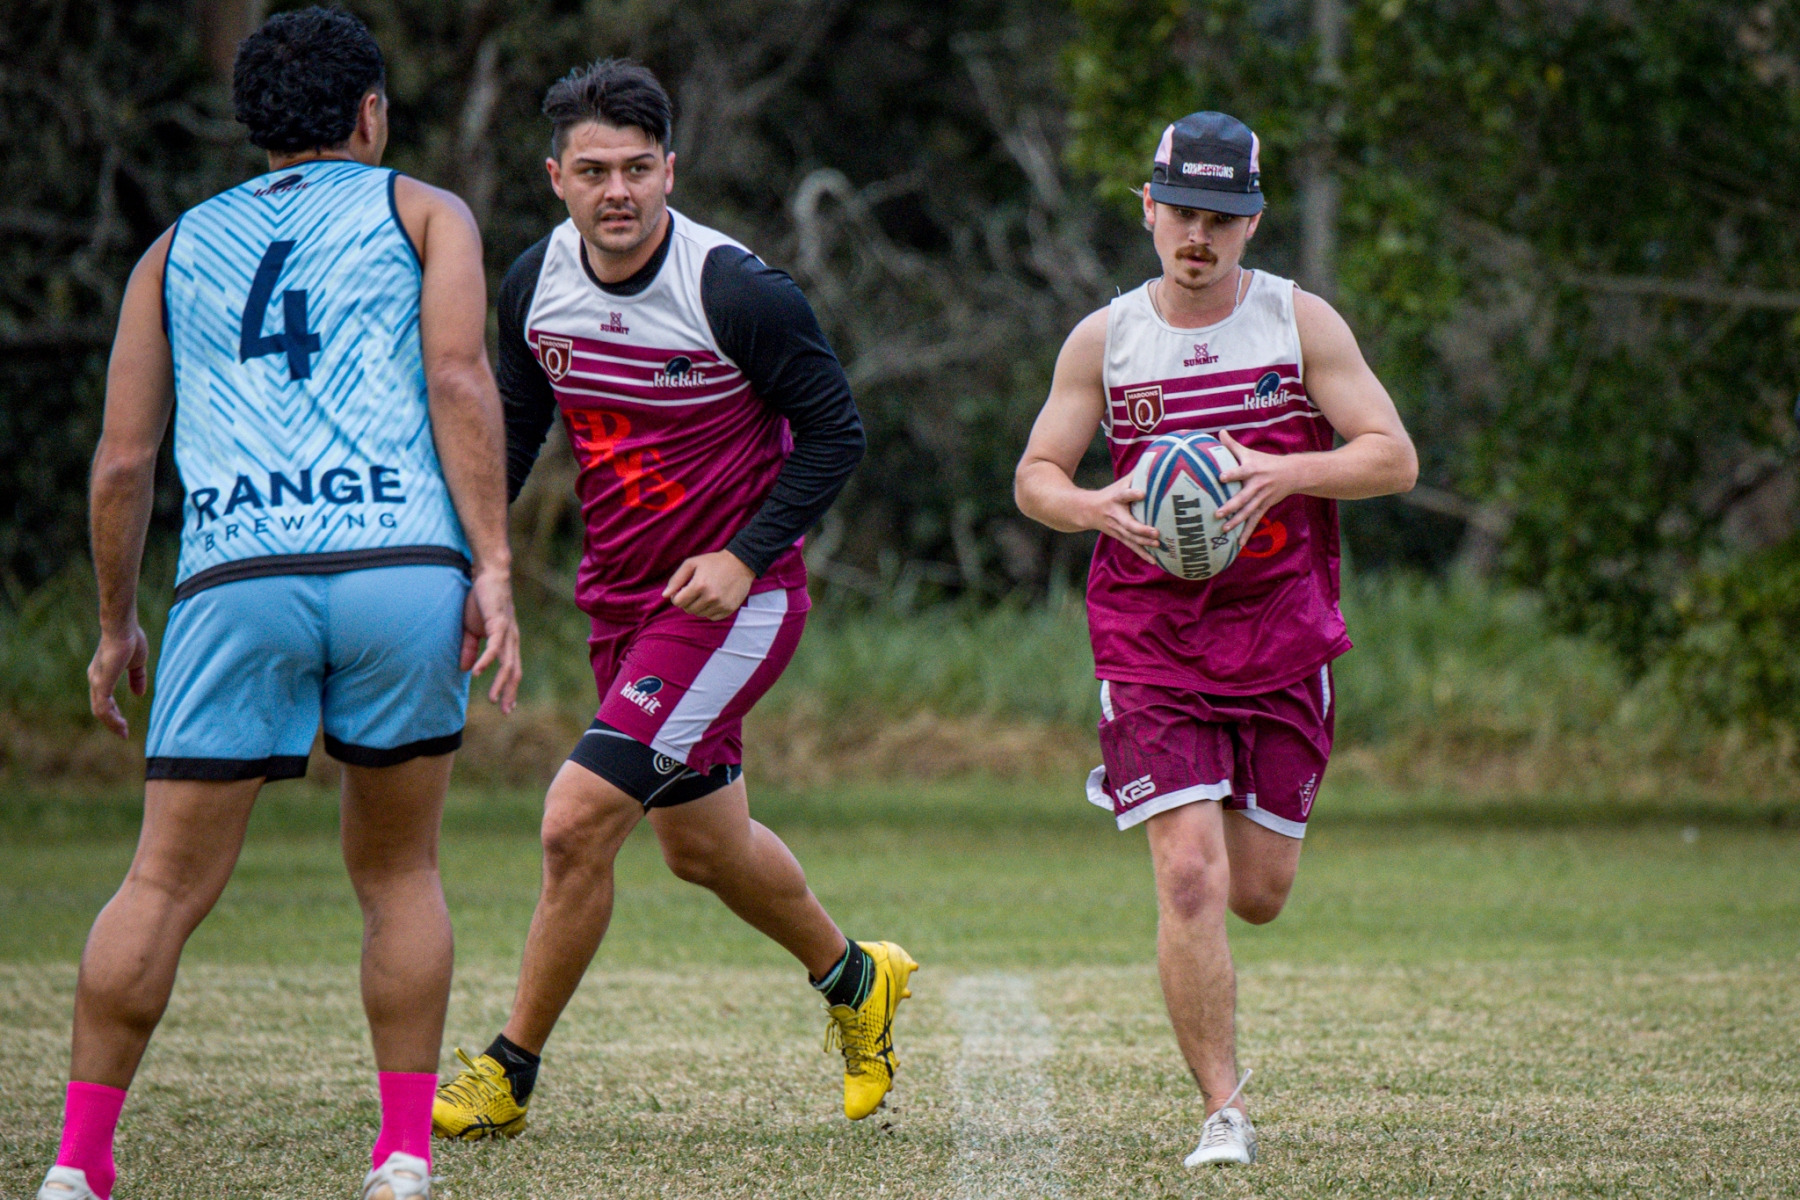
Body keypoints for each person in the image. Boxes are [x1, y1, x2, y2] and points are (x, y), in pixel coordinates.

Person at [37, 9, 520, 1200]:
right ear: (370, 113)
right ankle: (402, 1154)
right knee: (399, 873)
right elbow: (460, 378)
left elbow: (121, 462)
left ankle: (77, 1165)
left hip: (234, 579)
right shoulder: (425, 213)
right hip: (399, 565)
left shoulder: (172, 251)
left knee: (160, 884)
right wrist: (495, 564)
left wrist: (116, 623)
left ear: (253, 123)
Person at [429, 59, 915, 1140]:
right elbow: (514, 430)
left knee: (575, 822)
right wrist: (484, 563)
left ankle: (508, 1072)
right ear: (556, 176)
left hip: (733, 607)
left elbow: (836, 434)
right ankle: (856, 979)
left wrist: (743, 556)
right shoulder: (532, 284)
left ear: (670, 171)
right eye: (594, 170)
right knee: (701, 848)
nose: (618, 191)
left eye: (638, 169)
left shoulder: (734, 291)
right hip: (621, 604)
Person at [1014, 111, 1418, 1167]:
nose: (1199, 235)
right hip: (1150, 641)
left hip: (1281, 637)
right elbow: (1036, 477)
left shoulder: (1297, 324)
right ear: (1149, 209)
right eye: (1183, 212)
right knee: (1189, 875)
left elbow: (1392, 457)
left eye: (1222, 217)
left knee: (1258, 894)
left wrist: (1288, 471)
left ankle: (1206, 809)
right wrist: (1093, 507)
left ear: (1253, 223)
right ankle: (1222, 1112)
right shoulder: (1106, 341)